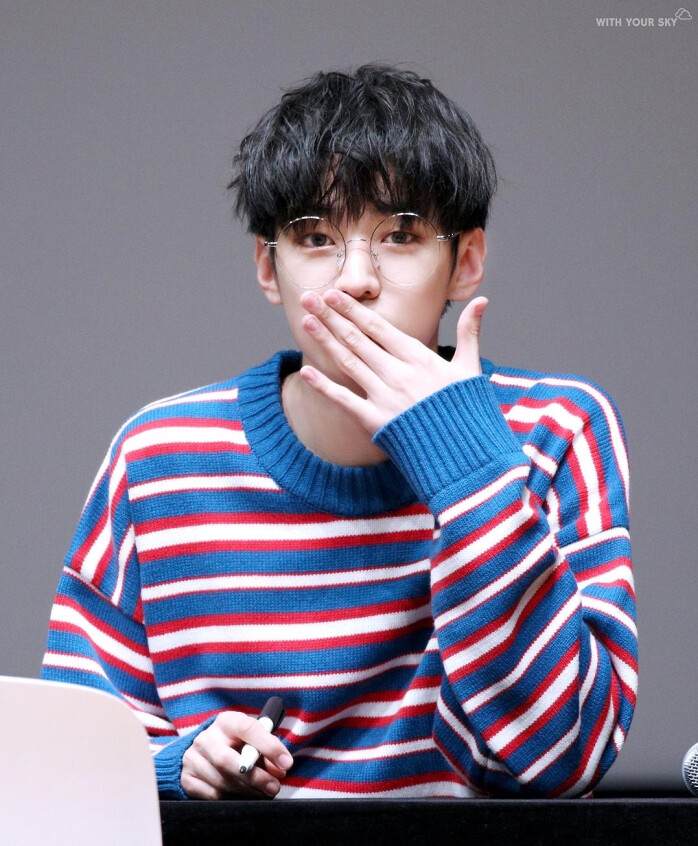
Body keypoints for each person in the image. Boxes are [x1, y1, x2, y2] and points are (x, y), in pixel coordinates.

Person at [41, 64, 637, 800]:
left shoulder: (553, 429)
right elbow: (65, 769)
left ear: (466, 262)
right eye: (317, 238)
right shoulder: (156, 458)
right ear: (269, 268)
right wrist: (176, 767)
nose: (356, 280)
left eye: (401, 235)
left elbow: (567, 758)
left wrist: (469, 472)